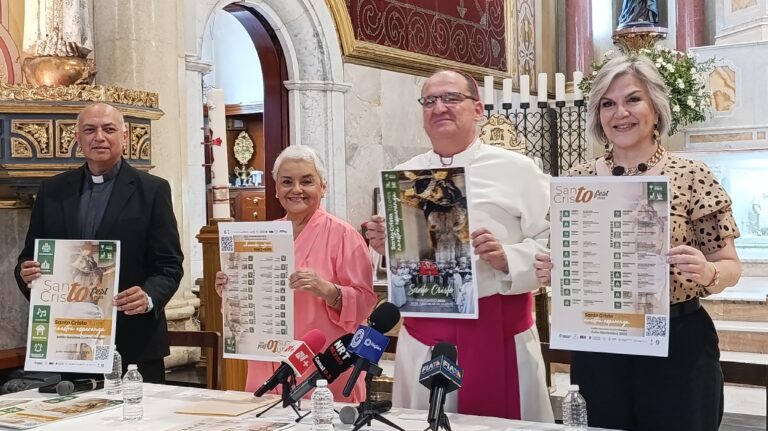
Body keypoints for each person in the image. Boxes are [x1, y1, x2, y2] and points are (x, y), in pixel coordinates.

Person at [534, 55, 741, 431]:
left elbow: (730, 265)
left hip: (678, 344)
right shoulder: (579, 178)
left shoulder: (691, 175)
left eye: (633, 99)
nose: (620, 113)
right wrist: (556, 270)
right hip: (599, 342)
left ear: (656, 109)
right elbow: (571, 257)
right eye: (607, 104)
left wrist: (709, 271)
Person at [365, 70, 553, 421]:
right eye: (430, 101)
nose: (440, 108)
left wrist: (508, 258)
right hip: (424, 336)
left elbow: (555, 242)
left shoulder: (518, 169)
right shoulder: (405, 176)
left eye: (451, 98)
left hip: (498, 334)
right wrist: (383, 246)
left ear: (478, 109)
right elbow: (399, 266)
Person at [15, 102, 184, 383]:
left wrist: (149, 296)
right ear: (78, 139)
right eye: (90, 130)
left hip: (134, 341)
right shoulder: (53, 190)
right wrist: (26, 273)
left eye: (109, 129)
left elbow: (169, 264)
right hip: (72, 340)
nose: (99, 137)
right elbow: (30, 257)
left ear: (124, 136)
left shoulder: (152, 190)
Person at [215, 145, 377, 403]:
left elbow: (366, 303)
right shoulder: (262, 236)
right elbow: (243, 315)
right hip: (268, 362)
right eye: (287, 182)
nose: (296, 189)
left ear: (323, 186)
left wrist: (327, 290)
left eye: (307, 181)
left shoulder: (343, 235)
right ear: (277, 189)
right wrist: (231, 290)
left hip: (324, 365)